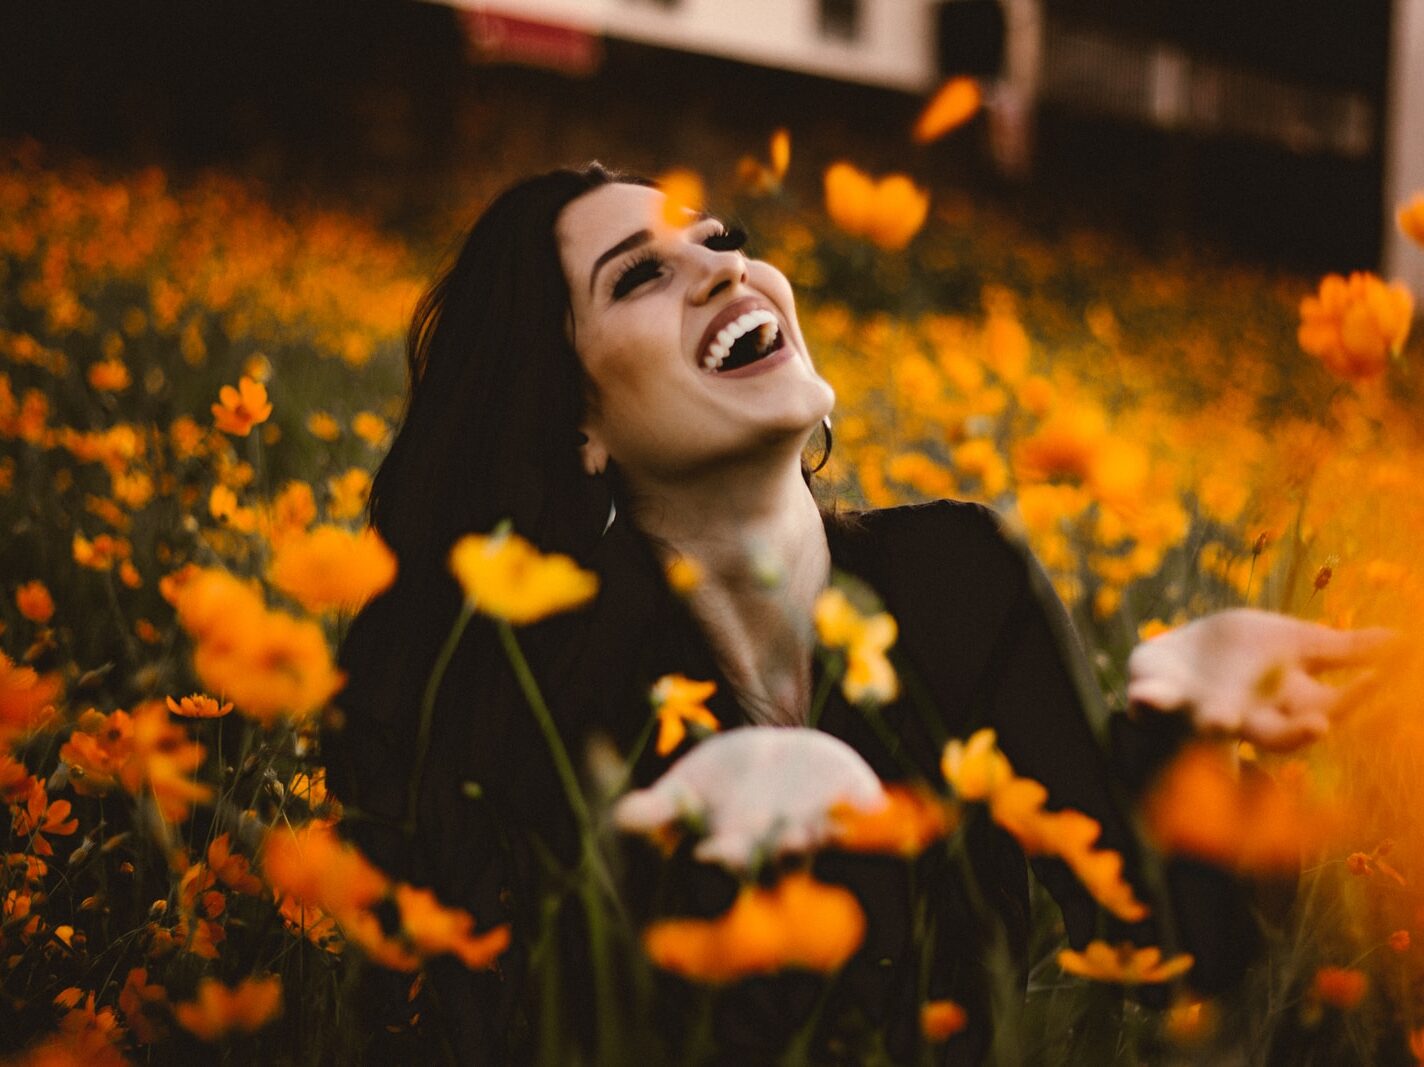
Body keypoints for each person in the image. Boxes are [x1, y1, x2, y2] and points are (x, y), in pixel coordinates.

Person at [326, 164, 1385, 1064]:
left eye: (719, 241)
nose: (725, 268)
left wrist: (1177, 723)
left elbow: (1173, 952)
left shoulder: (961, 577)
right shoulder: (561, 712)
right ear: (578, 426)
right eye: (643, 274)